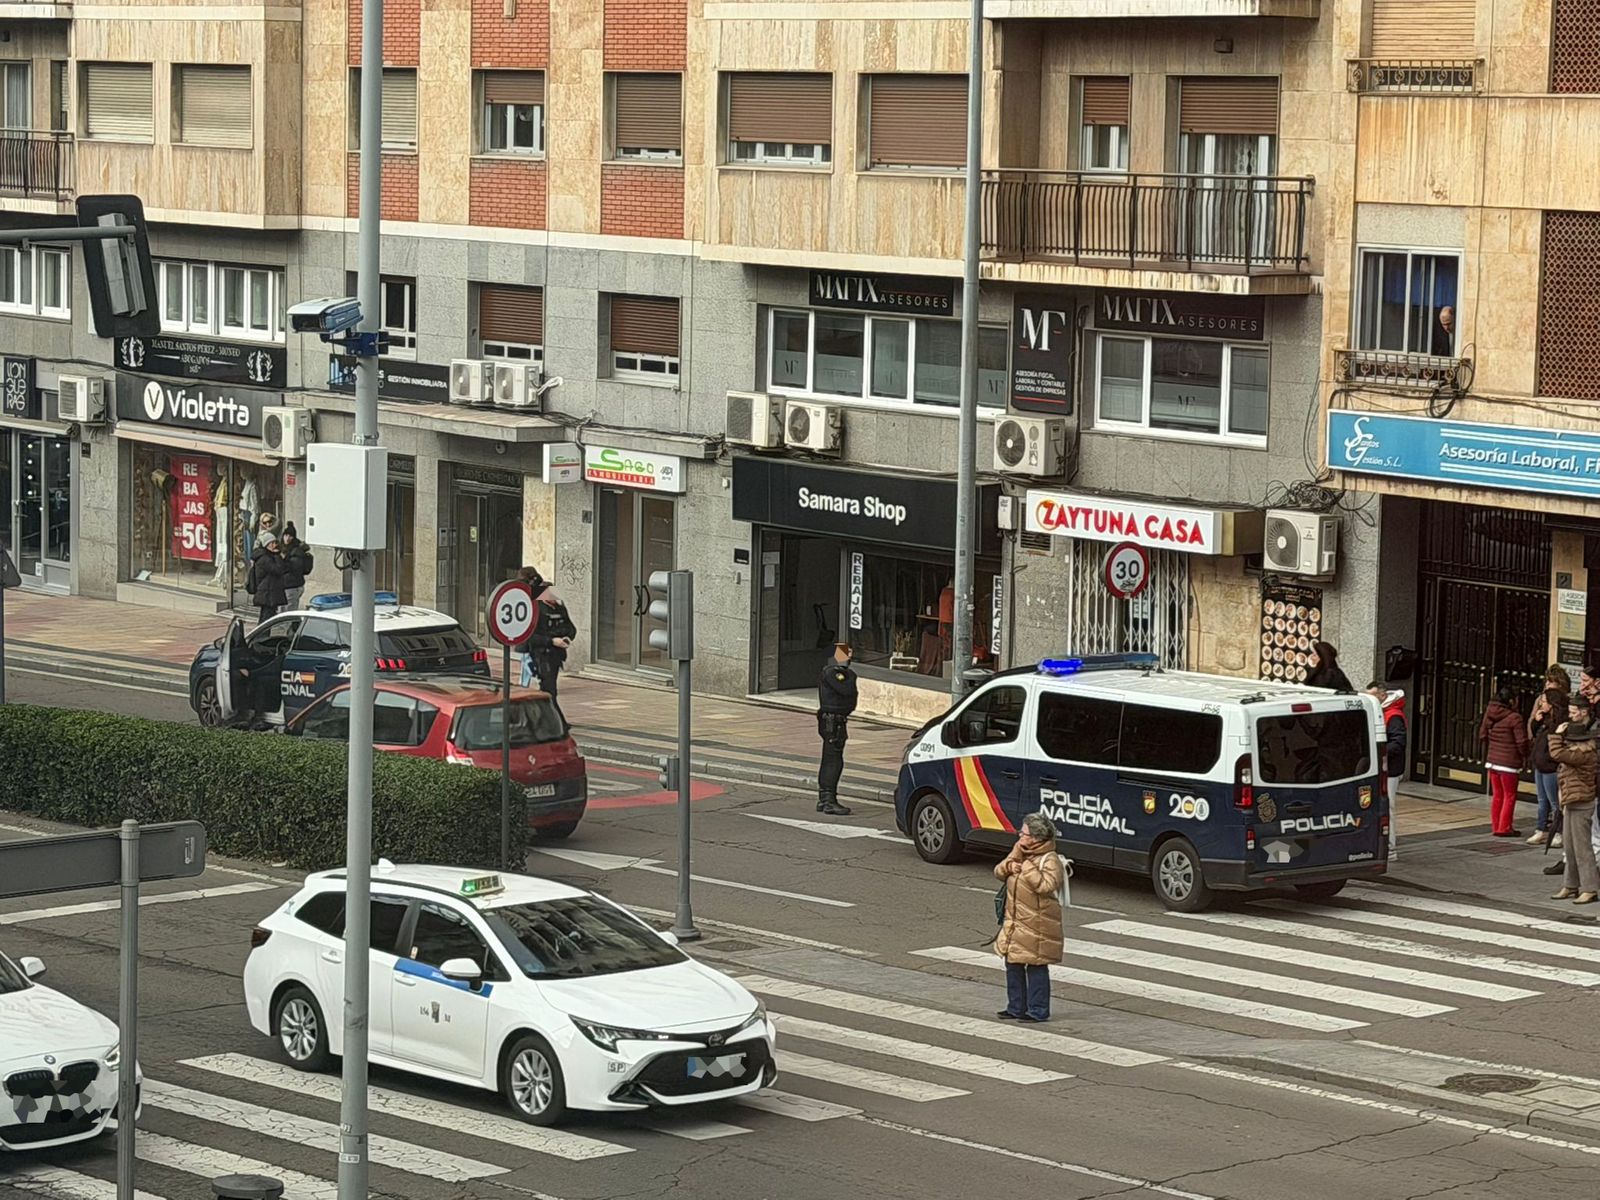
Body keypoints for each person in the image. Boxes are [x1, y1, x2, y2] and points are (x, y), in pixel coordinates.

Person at [994, 813, 1065, 1023]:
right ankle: (1015, 1007)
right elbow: (998, 871)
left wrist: (1025, 867)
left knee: (1036, 966)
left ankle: (1038, 1010)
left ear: (1035, 837)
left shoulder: (1049, 859)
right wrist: (1009, 865)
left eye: (1023, 833)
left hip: (1038, 924)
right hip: (1016, 921)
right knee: (1013, 963)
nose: (1019, 835)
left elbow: (1046, 886)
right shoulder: (1019, 851)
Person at [1545, 696, 1599, 904]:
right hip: (1571, 800)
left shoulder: (1584, 754)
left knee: (1582, 847)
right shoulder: (1577, 751)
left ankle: (1590, 888)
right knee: (1569, 847)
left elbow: (1557, 753)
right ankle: (1570, 884)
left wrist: (1555, 735)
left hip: (1582, 801)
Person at [518, 567, 576, 704]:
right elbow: (530, 636)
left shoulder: (560, 608)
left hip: (556, 655)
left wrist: (567, 638)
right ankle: (555, 721)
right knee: (548, 690)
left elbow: (571, 628)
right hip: (541, 654)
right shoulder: (536, 609)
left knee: (549, 689)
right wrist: (551, 641)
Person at [1478, 686, 1529, 838]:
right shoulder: (1515, 718)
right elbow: (1521, 742)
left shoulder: (1489, 713)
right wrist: (1525, 755)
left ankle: (1496, 826)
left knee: (1498, 795)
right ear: (1512, 701)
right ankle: (1504, 828)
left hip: (1492, 761)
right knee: (1509, 795)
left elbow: (1482, 734)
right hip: (1509, 763)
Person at [815, 643, 857, 817]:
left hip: (836, 721)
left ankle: (825, 799)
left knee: (832, 759)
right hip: (833, 722)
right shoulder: (832, 673)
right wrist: (850, 677)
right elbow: (847, 689)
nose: (848, 659)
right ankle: (828, 800)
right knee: (833, 761)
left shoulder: (840, 673)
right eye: (846, 655)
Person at [1367, 682, 1406, 859]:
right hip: (1383, 766)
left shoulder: (1393, 716)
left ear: (1382, 696)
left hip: (1390, 769)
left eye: (1373, 695)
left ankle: (1391, 848)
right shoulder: (1383, 713)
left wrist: (1378, 752)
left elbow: (1398, 743)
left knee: (1388, 806)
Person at [1528, 679, 1569, 847]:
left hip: (1550, 767)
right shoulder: (1544, 720)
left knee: (1554, 802)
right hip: (1539, 765)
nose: (1541, 705)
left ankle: (1558, 832)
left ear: (1552, 704)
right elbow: (1535, 735)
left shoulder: (1560, 723)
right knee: (1542, 799)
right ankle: (1541, 829)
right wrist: (1535, 721)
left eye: (1544, 702)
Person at [247, 531, 287, 624]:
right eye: (271, 543)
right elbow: (278, 570)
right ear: (266, 545)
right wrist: (277, 555)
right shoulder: (264, 558)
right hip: (267, 594)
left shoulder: (268, 556)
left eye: (275, 542)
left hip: (269, 592)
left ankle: (262, 636)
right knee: (266, 619)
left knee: (266, 617)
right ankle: (261, 637)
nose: (274, 545)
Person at [279, 522, 314, 613]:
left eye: (290, 536)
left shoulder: (297, 551)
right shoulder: (283, 548)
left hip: (292, 586)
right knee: (283, 612)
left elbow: (293, 568)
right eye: (285, 535)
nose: (287, 538)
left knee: (288, 613)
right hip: (285, 586)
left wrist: (282, 561)